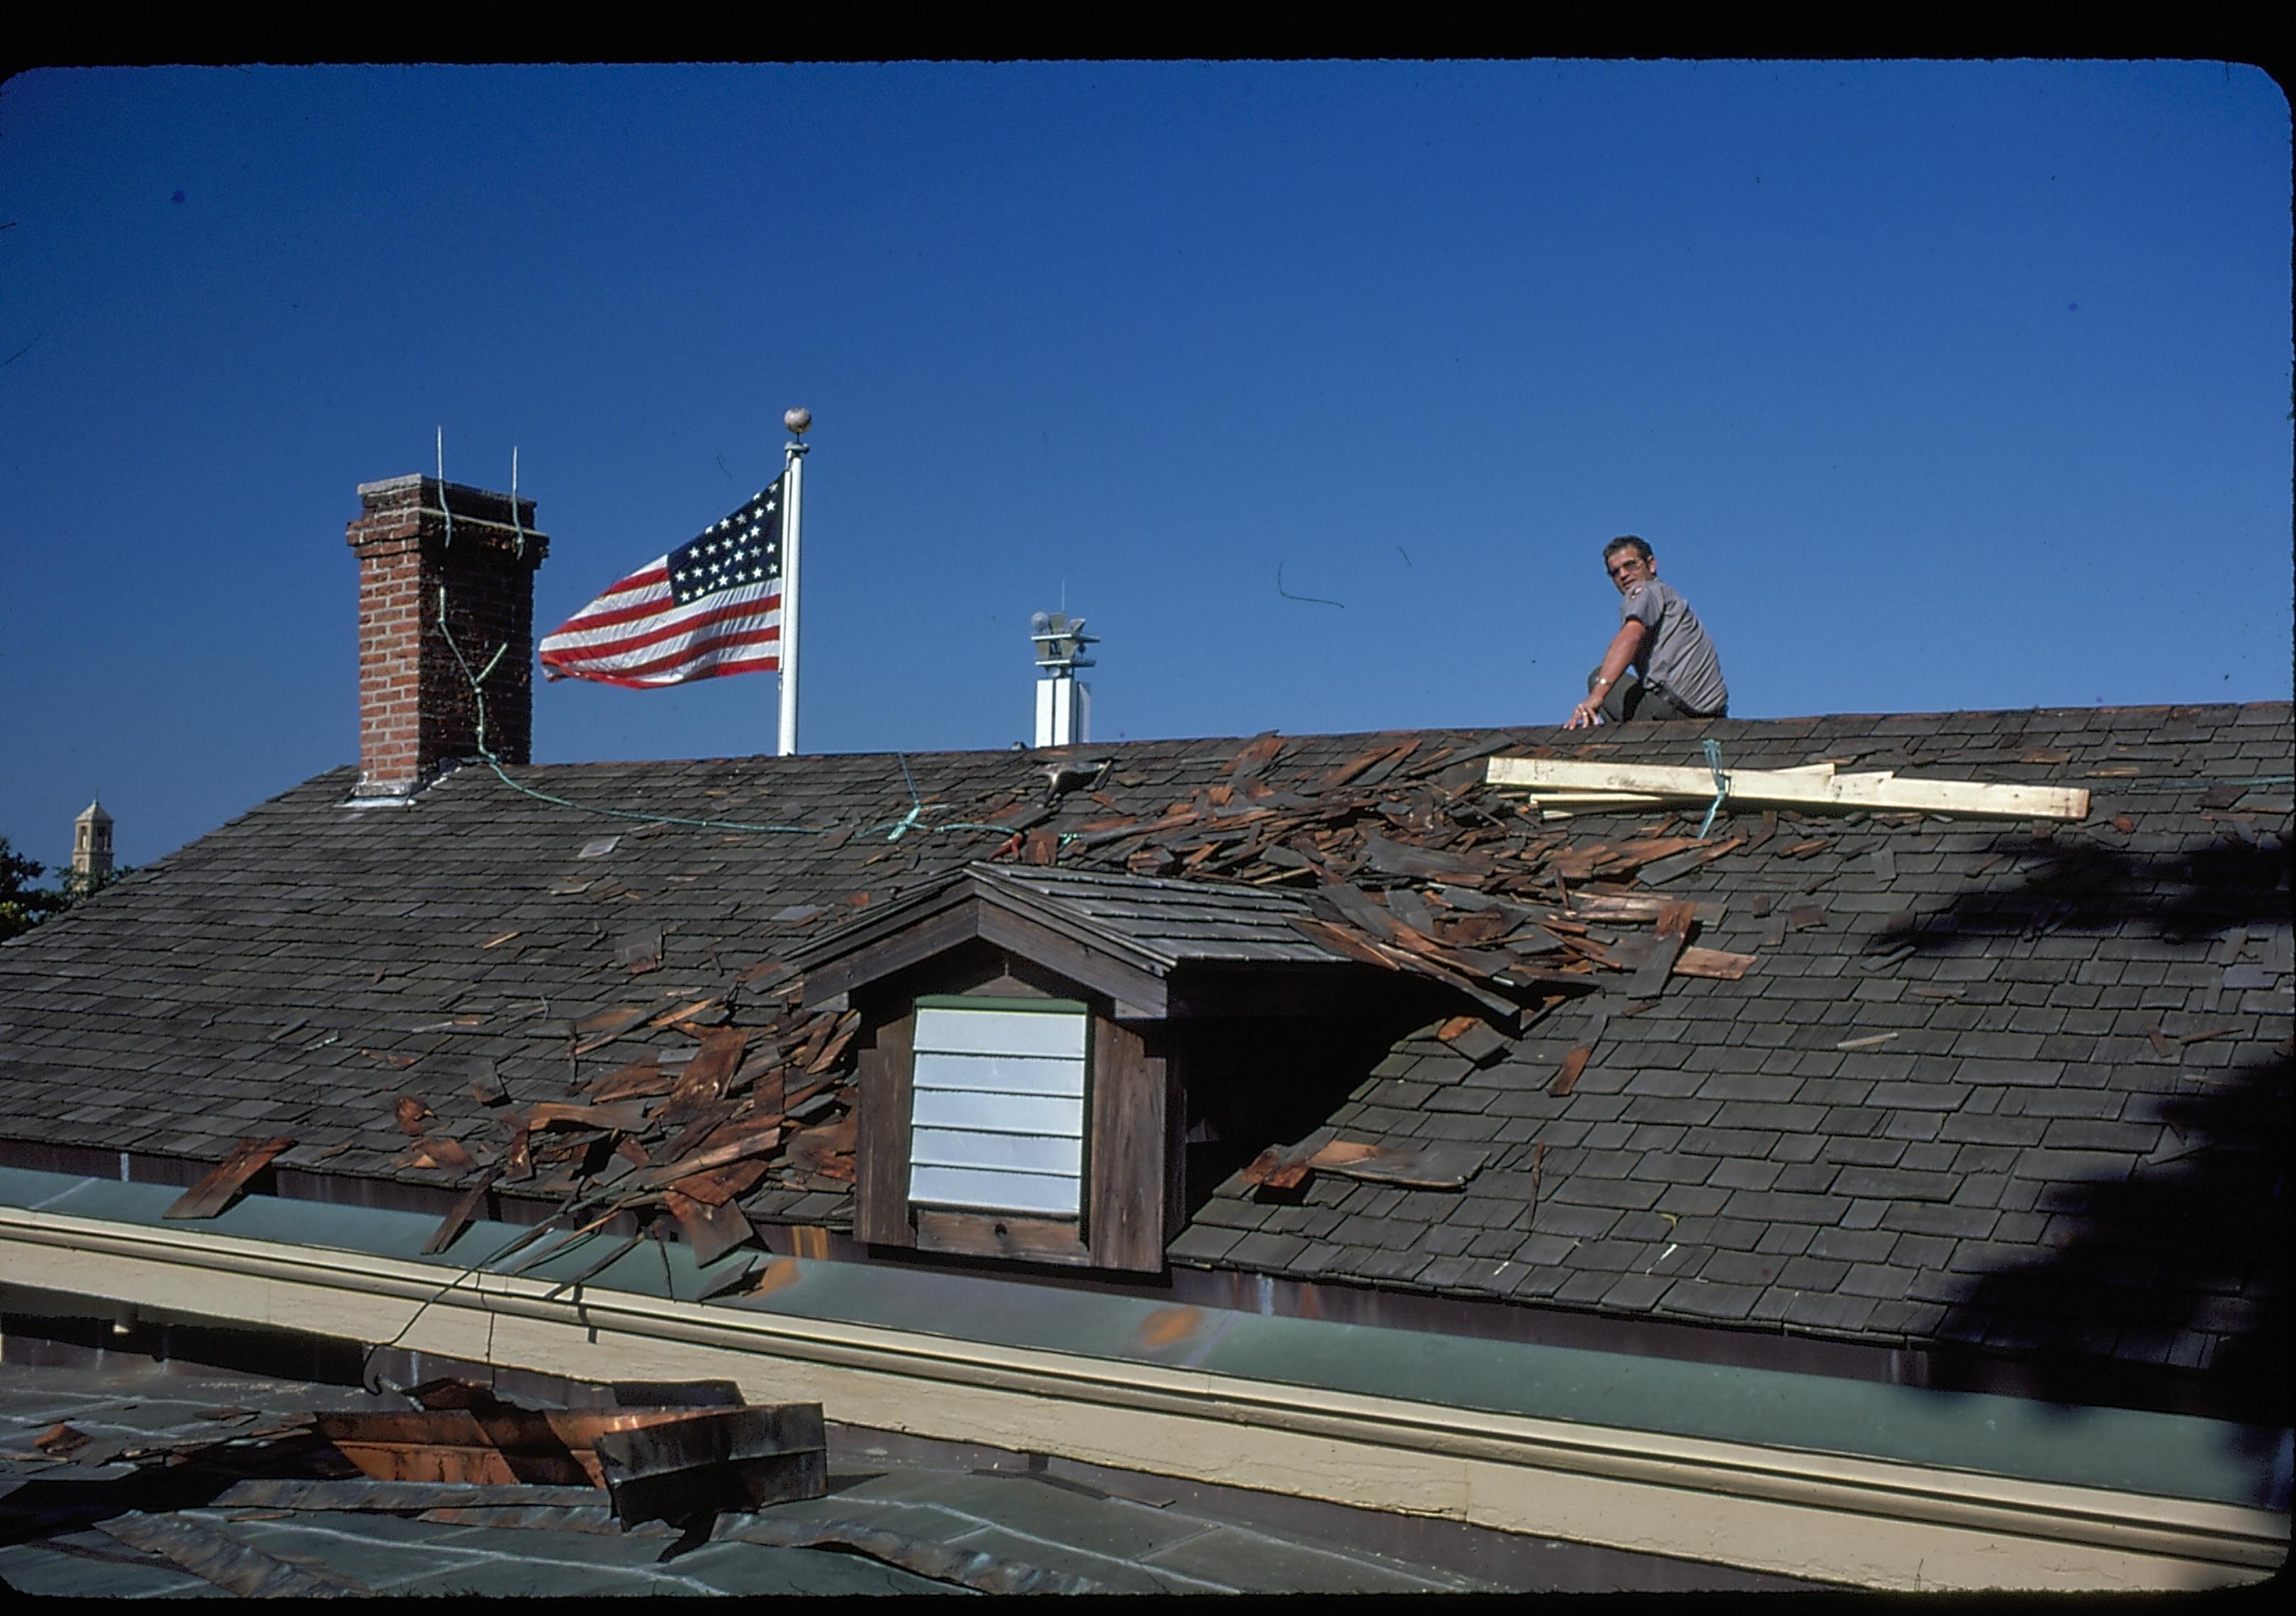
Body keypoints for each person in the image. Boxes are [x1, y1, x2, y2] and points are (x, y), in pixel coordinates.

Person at [1565, 536, 1728, 728]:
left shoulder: (1645, 591)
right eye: (1615, 572)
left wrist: (1596, 696)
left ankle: (1632, 741)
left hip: (1674, 712)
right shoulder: (1670, 598)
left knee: (1598, 676)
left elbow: (1630, 637)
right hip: (1712, 716)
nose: (1624, 575)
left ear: (1651, 565)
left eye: (1631, 565)